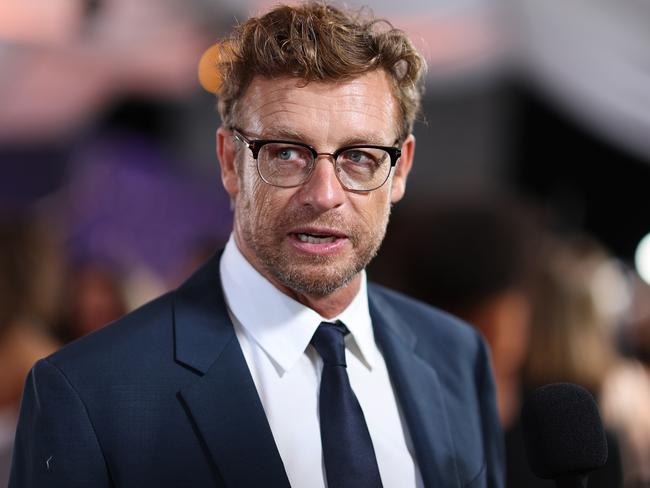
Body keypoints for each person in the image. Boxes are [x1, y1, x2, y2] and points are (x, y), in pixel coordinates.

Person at [10, 3, 504, 487]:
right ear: (229, 161)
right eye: (286, 153)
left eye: (359, 157)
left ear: (400, 170)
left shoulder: (457, 358)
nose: (324, 194)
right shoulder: (90, 393)